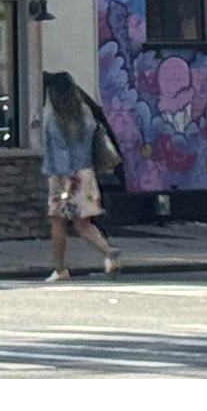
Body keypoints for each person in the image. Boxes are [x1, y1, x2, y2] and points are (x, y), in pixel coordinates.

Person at [38, 72, 120, 282]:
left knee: (57, 222)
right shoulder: (86, 114)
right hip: (86, 175)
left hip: (65, 179)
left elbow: (61, 156)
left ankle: (60, 269)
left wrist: (62, 185)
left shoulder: (55, 121)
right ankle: (108, 251)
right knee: (83, 223)